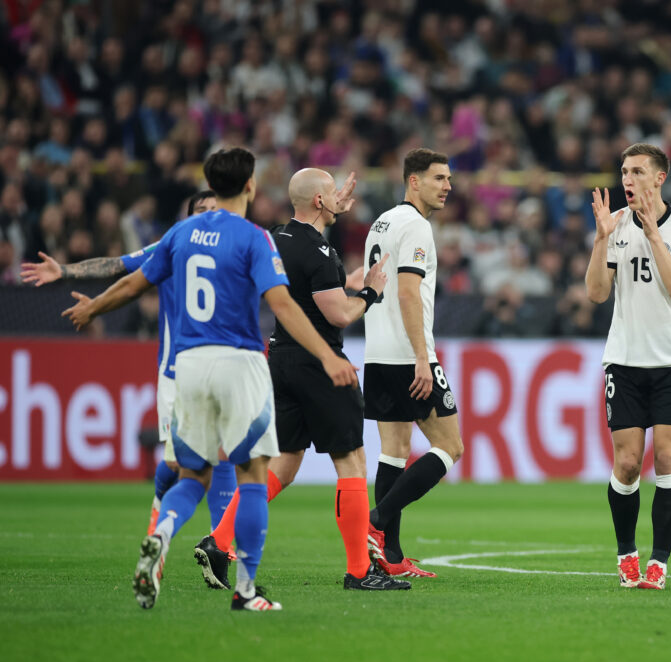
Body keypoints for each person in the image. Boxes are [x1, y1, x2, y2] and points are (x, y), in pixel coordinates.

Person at [63, 148, 355, 610]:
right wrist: (327, 355)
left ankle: (162, 531)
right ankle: (245, 591)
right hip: (238, 362)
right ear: (251, 186)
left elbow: (135, 281)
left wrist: (92, 307)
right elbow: (281, 305)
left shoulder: (181, 234)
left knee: (194, 474)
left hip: (189, 365)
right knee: (255, 473)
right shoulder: (255, 237)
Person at [194, 168, 409, 591]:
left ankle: (219, 540)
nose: (339, 198)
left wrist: (334, 210)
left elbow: (313, 288)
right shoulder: (321, 252)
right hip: (319, 362)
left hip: (280, 358)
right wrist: (371, 291)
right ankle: (360, 572)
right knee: (351, 462)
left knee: (285, 462)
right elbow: (339, 313)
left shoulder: (277, 237)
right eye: (331, 193)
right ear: (318, 202)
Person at [20, 190, 239, 538]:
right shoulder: (173, 245)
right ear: (188, 219)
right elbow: (120, 267)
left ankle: (219, 545)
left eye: (216, 209)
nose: (211, 215)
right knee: (178, 463)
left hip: (222, 368)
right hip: (177, 373)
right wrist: (65, 271)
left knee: (223, 453)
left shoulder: (236, 247)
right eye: (202, 210)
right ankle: (159, 514)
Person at [584, 143, 671, 590]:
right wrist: (600, 239)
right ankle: (626, 553)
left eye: (636, 172)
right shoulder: (614, 229)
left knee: (668, 457)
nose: (627, 180)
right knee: (629, 464)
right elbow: (597, 293)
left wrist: (654, 235)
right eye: (623, 172)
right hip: (625, 360)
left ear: (660, 178)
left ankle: (659, 563)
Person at [362, 148, 463, 578]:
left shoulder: (381, 222)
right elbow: (407, 292)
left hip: (377, 351)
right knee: (450, 446)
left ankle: (392, 556)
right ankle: (375, 521)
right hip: (409, 355)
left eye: (449, 179)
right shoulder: (417, 227)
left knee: (395, 452)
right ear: (413, 181)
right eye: (439, 178)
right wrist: (423, 358)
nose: (448, 186)